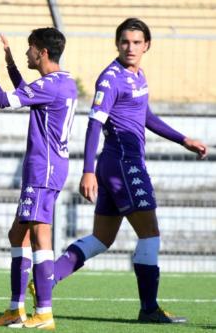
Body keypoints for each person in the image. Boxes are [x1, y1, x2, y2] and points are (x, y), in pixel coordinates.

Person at [51, 17, 208, 324]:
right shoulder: (111, 79)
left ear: (147, 45)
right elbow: (95, 123)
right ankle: (149, 309)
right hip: (124, 163)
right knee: (150, 235)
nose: (130, 47)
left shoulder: (137, 75)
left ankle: (46, 279)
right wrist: (87, 171)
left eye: (137, 42)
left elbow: (144, 114)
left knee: (101, 239)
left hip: (118, 165)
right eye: (125, 42)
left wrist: (182, 139)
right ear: (117, 44)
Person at [0, 28, 77, 330]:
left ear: (42, 52)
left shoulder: (50, 85)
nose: (26, 54)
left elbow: (0, 100)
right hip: (46, 166)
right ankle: (15, 309)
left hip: (44, 168)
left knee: (40, 236)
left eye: (29, 49)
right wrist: (11, 64)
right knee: (17, 235)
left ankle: (45, 312)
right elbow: (30, 93)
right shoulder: (62, 82)